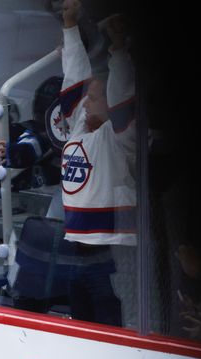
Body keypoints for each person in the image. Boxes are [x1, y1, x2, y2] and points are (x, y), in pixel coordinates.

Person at [57, 0, 136, 326]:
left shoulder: (119, 136)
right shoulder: (78, 128)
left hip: (113, 253)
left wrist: (118, 50)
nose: (87, 102)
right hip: (76, 247)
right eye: (88, 96)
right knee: (82, 326)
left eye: (96, 96)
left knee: (114, 329)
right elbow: (74, 75)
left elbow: (121, 95)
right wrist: (70, 26)